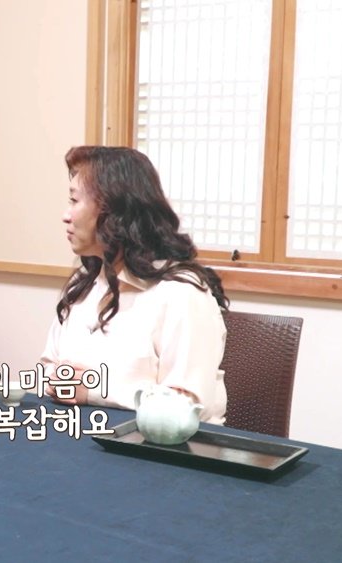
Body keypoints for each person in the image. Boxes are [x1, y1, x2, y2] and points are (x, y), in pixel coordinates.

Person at [40, 146, 229, 423]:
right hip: (79, 434)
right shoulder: (84, 285)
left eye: (74, 201)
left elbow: (186, 403)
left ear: (113, 210)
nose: (66, 215)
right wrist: (57, 380)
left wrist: (94, 391)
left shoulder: (181, 294)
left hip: (160, 445)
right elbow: (49, 367)